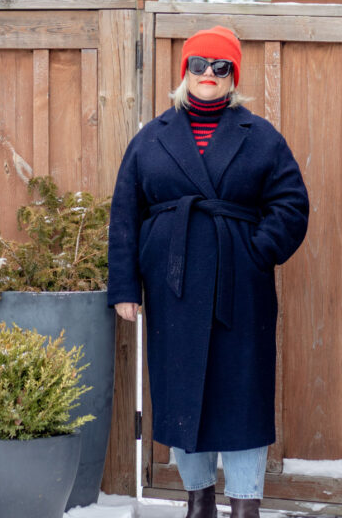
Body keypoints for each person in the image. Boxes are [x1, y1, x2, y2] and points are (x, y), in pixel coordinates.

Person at [108, 26, 309, 518]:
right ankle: (198, 501)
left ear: (233, 75)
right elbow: (125, 214)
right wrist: (125, 286)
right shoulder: (150, 138)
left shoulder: (260, 136)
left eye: (221, 67)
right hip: (172, 285)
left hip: (241, 286)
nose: (209, 75)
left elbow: (291, 204)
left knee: (241, 392)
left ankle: (244, 504)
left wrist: (255, 251)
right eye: (199, 65)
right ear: (185, 71)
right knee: (182, 390)